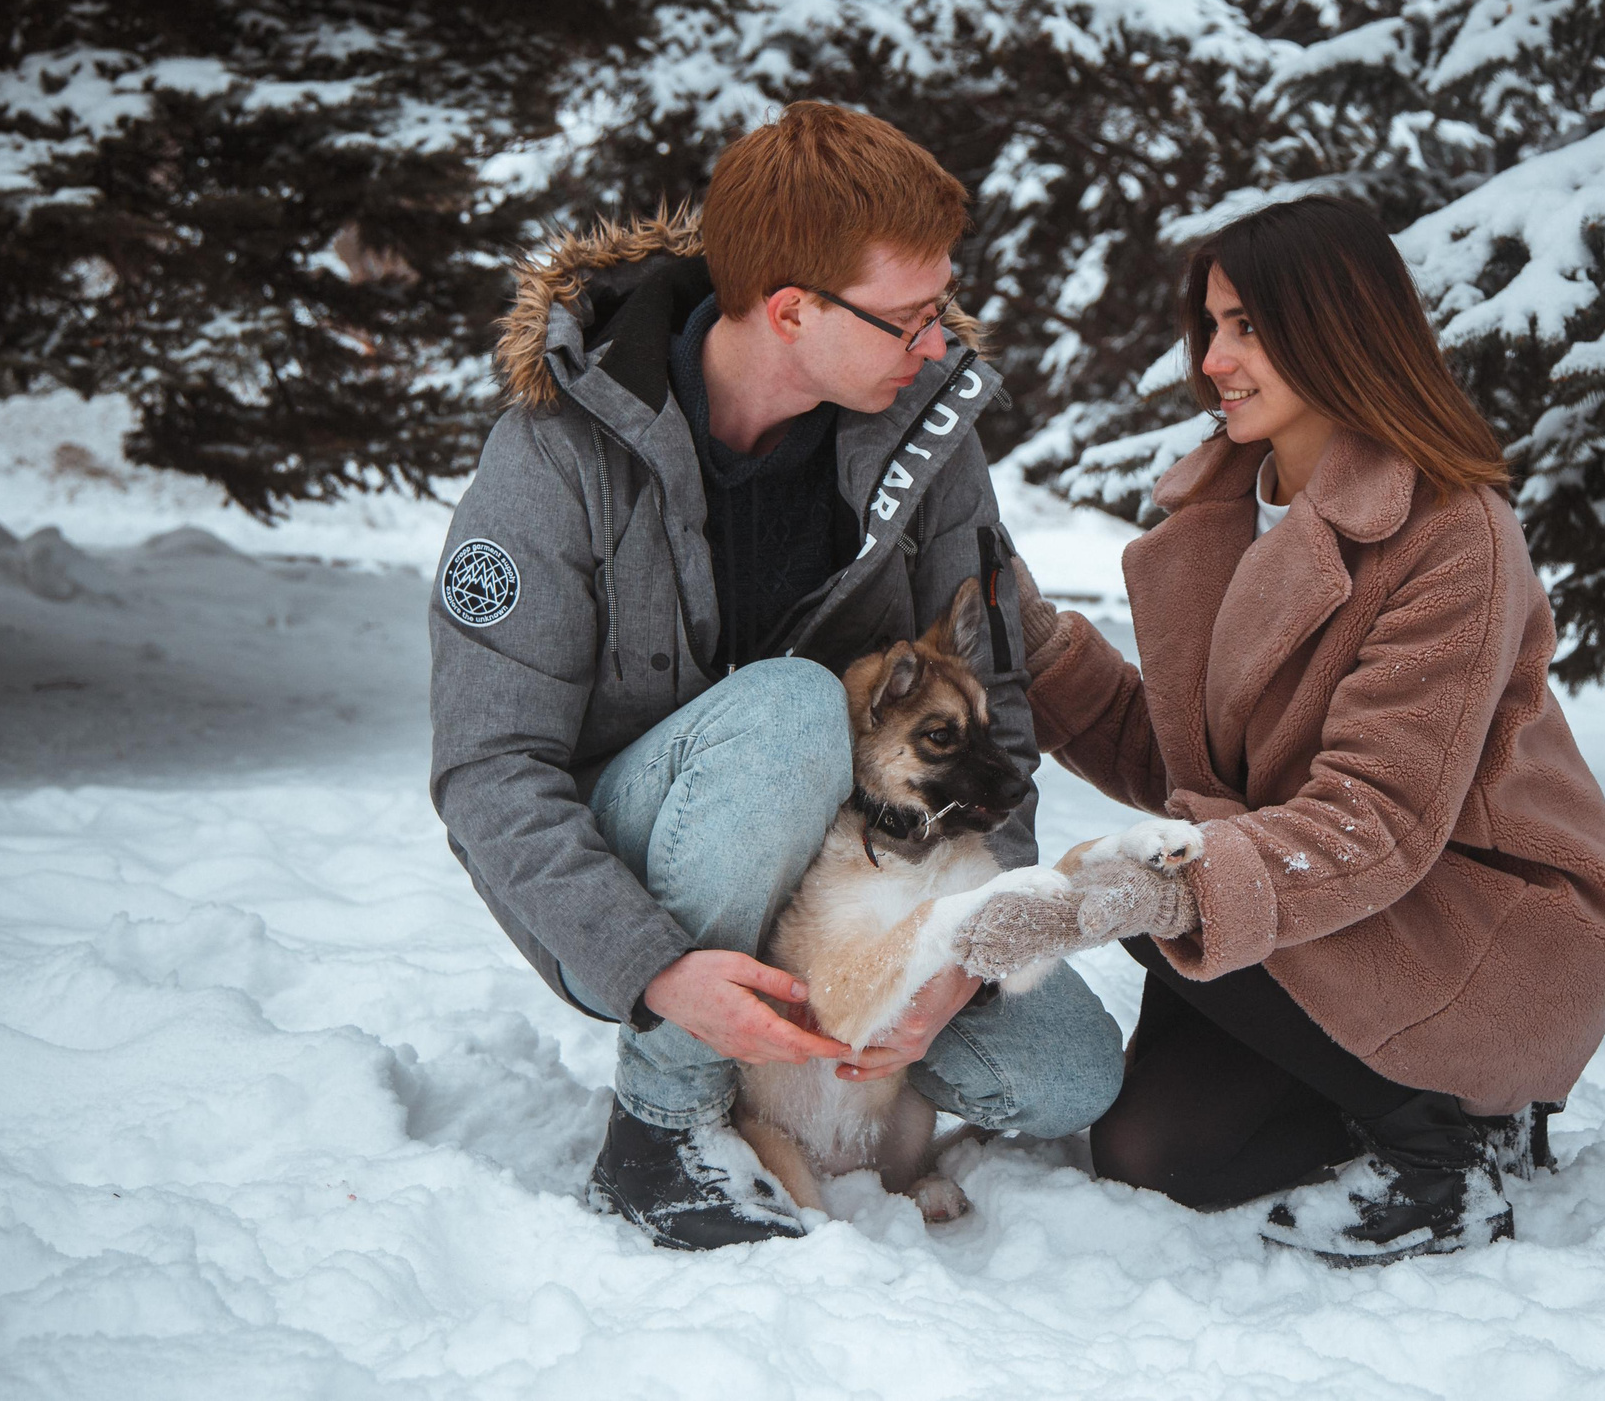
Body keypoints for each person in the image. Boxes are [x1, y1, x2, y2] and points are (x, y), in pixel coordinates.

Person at [428, 103, 1124, 1250]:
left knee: (1061, 1075)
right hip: (649, 847)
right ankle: (665, 1120)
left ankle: (822, 1091)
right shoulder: (555, 455)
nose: (939, 346)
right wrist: (650, 969)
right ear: (794, 309)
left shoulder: (926, 438)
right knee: (795, 705)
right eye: (910, 319)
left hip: (857, 866)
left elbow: (987, 702)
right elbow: (489, 770)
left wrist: (977, 939)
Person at [1007, 195, 1605, 1265]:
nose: (1213, 358)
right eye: (1208, 325)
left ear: (1338, 327)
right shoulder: (1228, 515)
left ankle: (1453, 1149)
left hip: (1478, 920)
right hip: (1324, 903)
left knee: (1155, 881)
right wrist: (1024, 640)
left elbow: (1378, 818)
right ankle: (1394, 1098)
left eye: (1247, 325)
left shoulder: (1451, 532)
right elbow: (1189, 769)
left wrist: (1159, 882)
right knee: (1156, 1155)